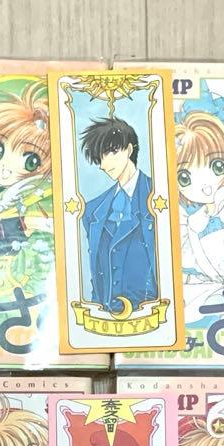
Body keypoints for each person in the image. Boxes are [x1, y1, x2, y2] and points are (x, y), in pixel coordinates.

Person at [80, 117, 157, 314]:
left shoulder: (158, 195)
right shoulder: (93, 210)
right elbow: (97, 271)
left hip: (153, 311)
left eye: (111, 153)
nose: (104, 165)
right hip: (106, 316)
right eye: (100, 158)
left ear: (129, 150)